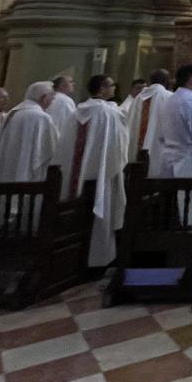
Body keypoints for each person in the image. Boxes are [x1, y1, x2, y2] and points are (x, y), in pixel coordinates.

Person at [61, 75, 128, 267]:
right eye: (111, 85)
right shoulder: (109, 113)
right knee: (101, 214)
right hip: (103, 173)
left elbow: (65, 144)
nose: (114, 88)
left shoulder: (77, 111)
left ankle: (71, 260)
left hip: (79, 174)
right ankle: (97, 260)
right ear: (102, 89)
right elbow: (119, 145)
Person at [0, 81, 59, 182]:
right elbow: (50, 151)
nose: (53, 99)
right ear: (44, 98)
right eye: (52, 96)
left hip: (7, 168)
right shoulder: (42, 118)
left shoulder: (14, 112)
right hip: (27, 174)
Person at [127, 69, 172, 163]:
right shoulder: (169, 97)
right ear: (166, 81)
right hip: (159, 147)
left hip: (137, 147)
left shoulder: (138, 98)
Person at [49, 75, 79, 142]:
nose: (73, 84)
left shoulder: (49, 98)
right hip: (61, 137)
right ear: (61, 85)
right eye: (70, 82)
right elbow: (72, 120)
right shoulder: (65, 100)